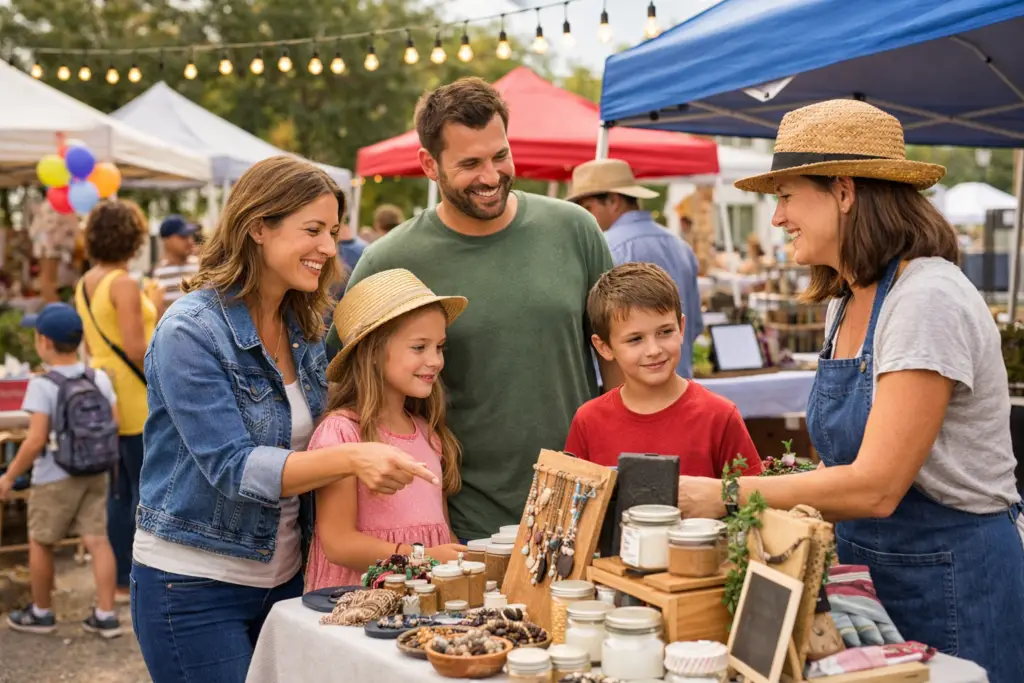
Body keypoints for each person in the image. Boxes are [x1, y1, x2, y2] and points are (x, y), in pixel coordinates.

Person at [675, 100, 1024, 679]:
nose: (778, 218)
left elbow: (878, 487)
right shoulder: (845, 301)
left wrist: (727, 495)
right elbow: (845, 465)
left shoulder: (926, 300)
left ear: (842, 191)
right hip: (870, 575)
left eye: (786, 196)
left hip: (953, 581)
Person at [130, 156, 439, 683]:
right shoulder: (190, 330)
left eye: (333, 232)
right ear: (257, 227)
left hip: (289, 582)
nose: (329, 248)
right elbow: (233, 467)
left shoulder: (304, 327)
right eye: (312, 230)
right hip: (194, 586)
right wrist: (352, 458)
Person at [325, 77, 617, 542]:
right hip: (461, 525)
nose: (491, 176)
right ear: (429, 164)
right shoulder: (389, 258)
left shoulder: (574, 230)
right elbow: (345, 380)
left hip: (579, 506)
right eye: (469, 163)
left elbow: (616, 360)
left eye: (500, 155)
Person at [306, 269, 469, 590]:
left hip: (422, 600)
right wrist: (424, 557)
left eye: (439, 347)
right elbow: (338, 544)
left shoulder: (429, 435)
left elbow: (441, 533)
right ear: (373, 352)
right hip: (357, 597)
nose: (435, 360)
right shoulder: (341, 434)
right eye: (419, 347)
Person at [565, 263, 761, 477]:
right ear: (604, 347)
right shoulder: (588, 421)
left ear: (681, 328)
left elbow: (751, 493)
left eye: (665, 332)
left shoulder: (720, 416)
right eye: (635, 339)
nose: (654, 350)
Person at [0, 304, 121, 638]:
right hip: (96, 471)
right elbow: (115, 422)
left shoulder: (43, 384)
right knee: (98, 540)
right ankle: (106, 615)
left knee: (41, 541)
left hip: (54, 476)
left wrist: (9, 476)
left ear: (44, 342)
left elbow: (36, 439)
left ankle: (41, 613)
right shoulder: (97, 377)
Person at [74, 198, 156, 604]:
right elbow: (137, 347)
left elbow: (93, 346)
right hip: (136, 394)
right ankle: (136, 575)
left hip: (105, 393)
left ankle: (121, 577)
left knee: (118, 492)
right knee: (144, 488)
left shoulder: (85, 283)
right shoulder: (123, 283)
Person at [568, 159, 704, 378]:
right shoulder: (680, 246)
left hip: (629, 387)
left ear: (614, 201)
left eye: (587, 208)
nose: (584, 217)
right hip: (679, 383)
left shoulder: (603, 248)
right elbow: (694, 326)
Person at [151, 214, 199, 317]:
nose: (190, 241)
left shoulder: (199, 266)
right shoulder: (158, 273)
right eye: (183, 237)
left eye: (189, 236)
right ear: (167, 241)